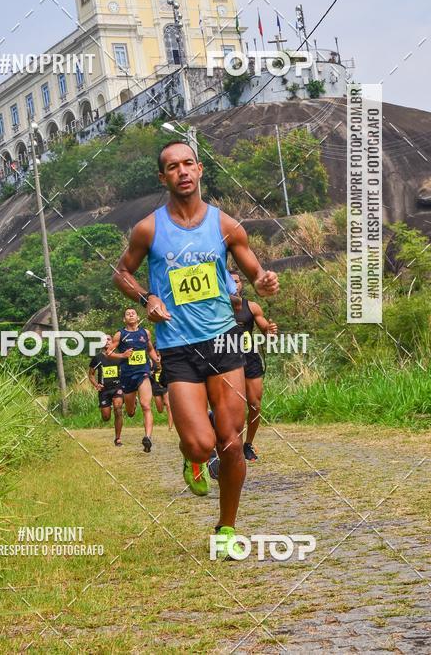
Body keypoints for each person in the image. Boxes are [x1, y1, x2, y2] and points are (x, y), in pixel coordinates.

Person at [112, 140, 279, 559]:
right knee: (202, 445)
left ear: (200, 170)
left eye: (188, 163)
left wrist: (263, 281)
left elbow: (254, 269)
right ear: (162, 176)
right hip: (177, 347)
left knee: (231, 443)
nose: (182, 171)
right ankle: (192, 461)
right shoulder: (149, 229)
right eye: (172, 166)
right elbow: (122, 273)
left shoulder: (227, 225)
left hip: (223, 341)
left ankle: (226, 527)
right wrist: (147, 298)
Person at [228, 270, 278, 462]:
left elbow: (265, 328)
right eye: (230, 281)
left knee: (255, 404)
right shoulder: (217, 307)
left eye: (237, 281)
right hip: (226, 360)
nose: (234, 284)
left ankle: (248, 444)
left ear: (242, 284)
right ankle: (231, 444)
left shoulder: (253, 307)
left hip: (250, 358)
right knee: (233, 406)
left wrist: (270, 330)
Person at [108, 308, 159, 453]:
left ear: (137, 317)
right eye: (127, 314)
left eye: (133, 313)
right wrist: (123, 355)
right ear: (124, 319)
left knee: (146, 405)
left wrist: (157, 360)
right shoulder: (120, 334)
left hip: (143, 373)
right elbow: (109, 353)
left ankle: (147, 437)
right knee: (129, 412)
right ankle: (132, 405)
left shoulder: (145, 333)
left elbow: (150, 350)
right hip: (127, 376)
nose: (131, 314)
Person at [88, 334, 124, 446]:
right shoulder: (98, 358)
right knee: (106, 417)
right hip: (104, 391)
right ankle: (106, 413)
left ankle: (118, 439)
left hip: (117, 388)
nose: (107, 342)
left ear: (113, 341)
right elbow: (91, 374)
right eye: (104, 340)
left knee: (118, 409)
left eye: (109, 339)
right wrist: (96, 385)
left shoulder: (118, 356)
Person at [150, 354, 174, 431]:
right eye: (156, 354)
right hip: (156, 388)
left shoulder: (165, 361)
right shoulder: (151, 362)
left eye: (159, 354)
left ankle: (170, 427)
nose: (158, 356)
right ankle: (163, 401)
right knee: (160, 410)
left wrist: (160, 364)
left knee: (168, 405)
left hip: (164, 386)